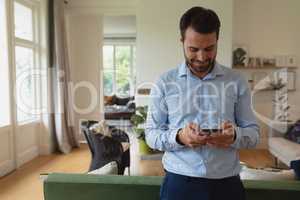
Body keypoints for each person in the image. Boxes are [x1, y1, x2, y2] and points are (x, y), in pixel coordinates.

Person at [145, 6, 260, 200]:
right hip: (179, 183)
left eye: (209, 49)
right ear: (182, 42)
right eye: (193, 49)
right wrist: (180, 137)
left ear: (217, 41)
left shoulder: (236, 81)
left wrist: (234, 136)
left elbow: (254, 134)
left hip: (227, 184)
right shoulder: (165, 82)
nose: (201, 57)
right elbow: (151, 134)